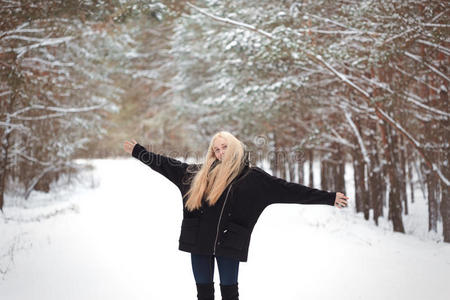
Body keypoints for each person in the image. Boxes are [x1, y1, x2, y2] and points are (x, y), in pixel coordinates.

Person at [123, 131, 349, 300]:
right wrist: (139, 152)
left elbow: (291, 190)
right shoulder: (197, 174)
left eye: (224, 147)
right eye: (216, 150)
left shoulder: (253, 178)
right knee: (203, 293)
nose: (220, 153)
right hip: (199, 243)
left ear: (235, 147)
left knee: (230, 293)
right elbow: (166, 165)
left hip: (229, 243)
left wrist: (329, 198)